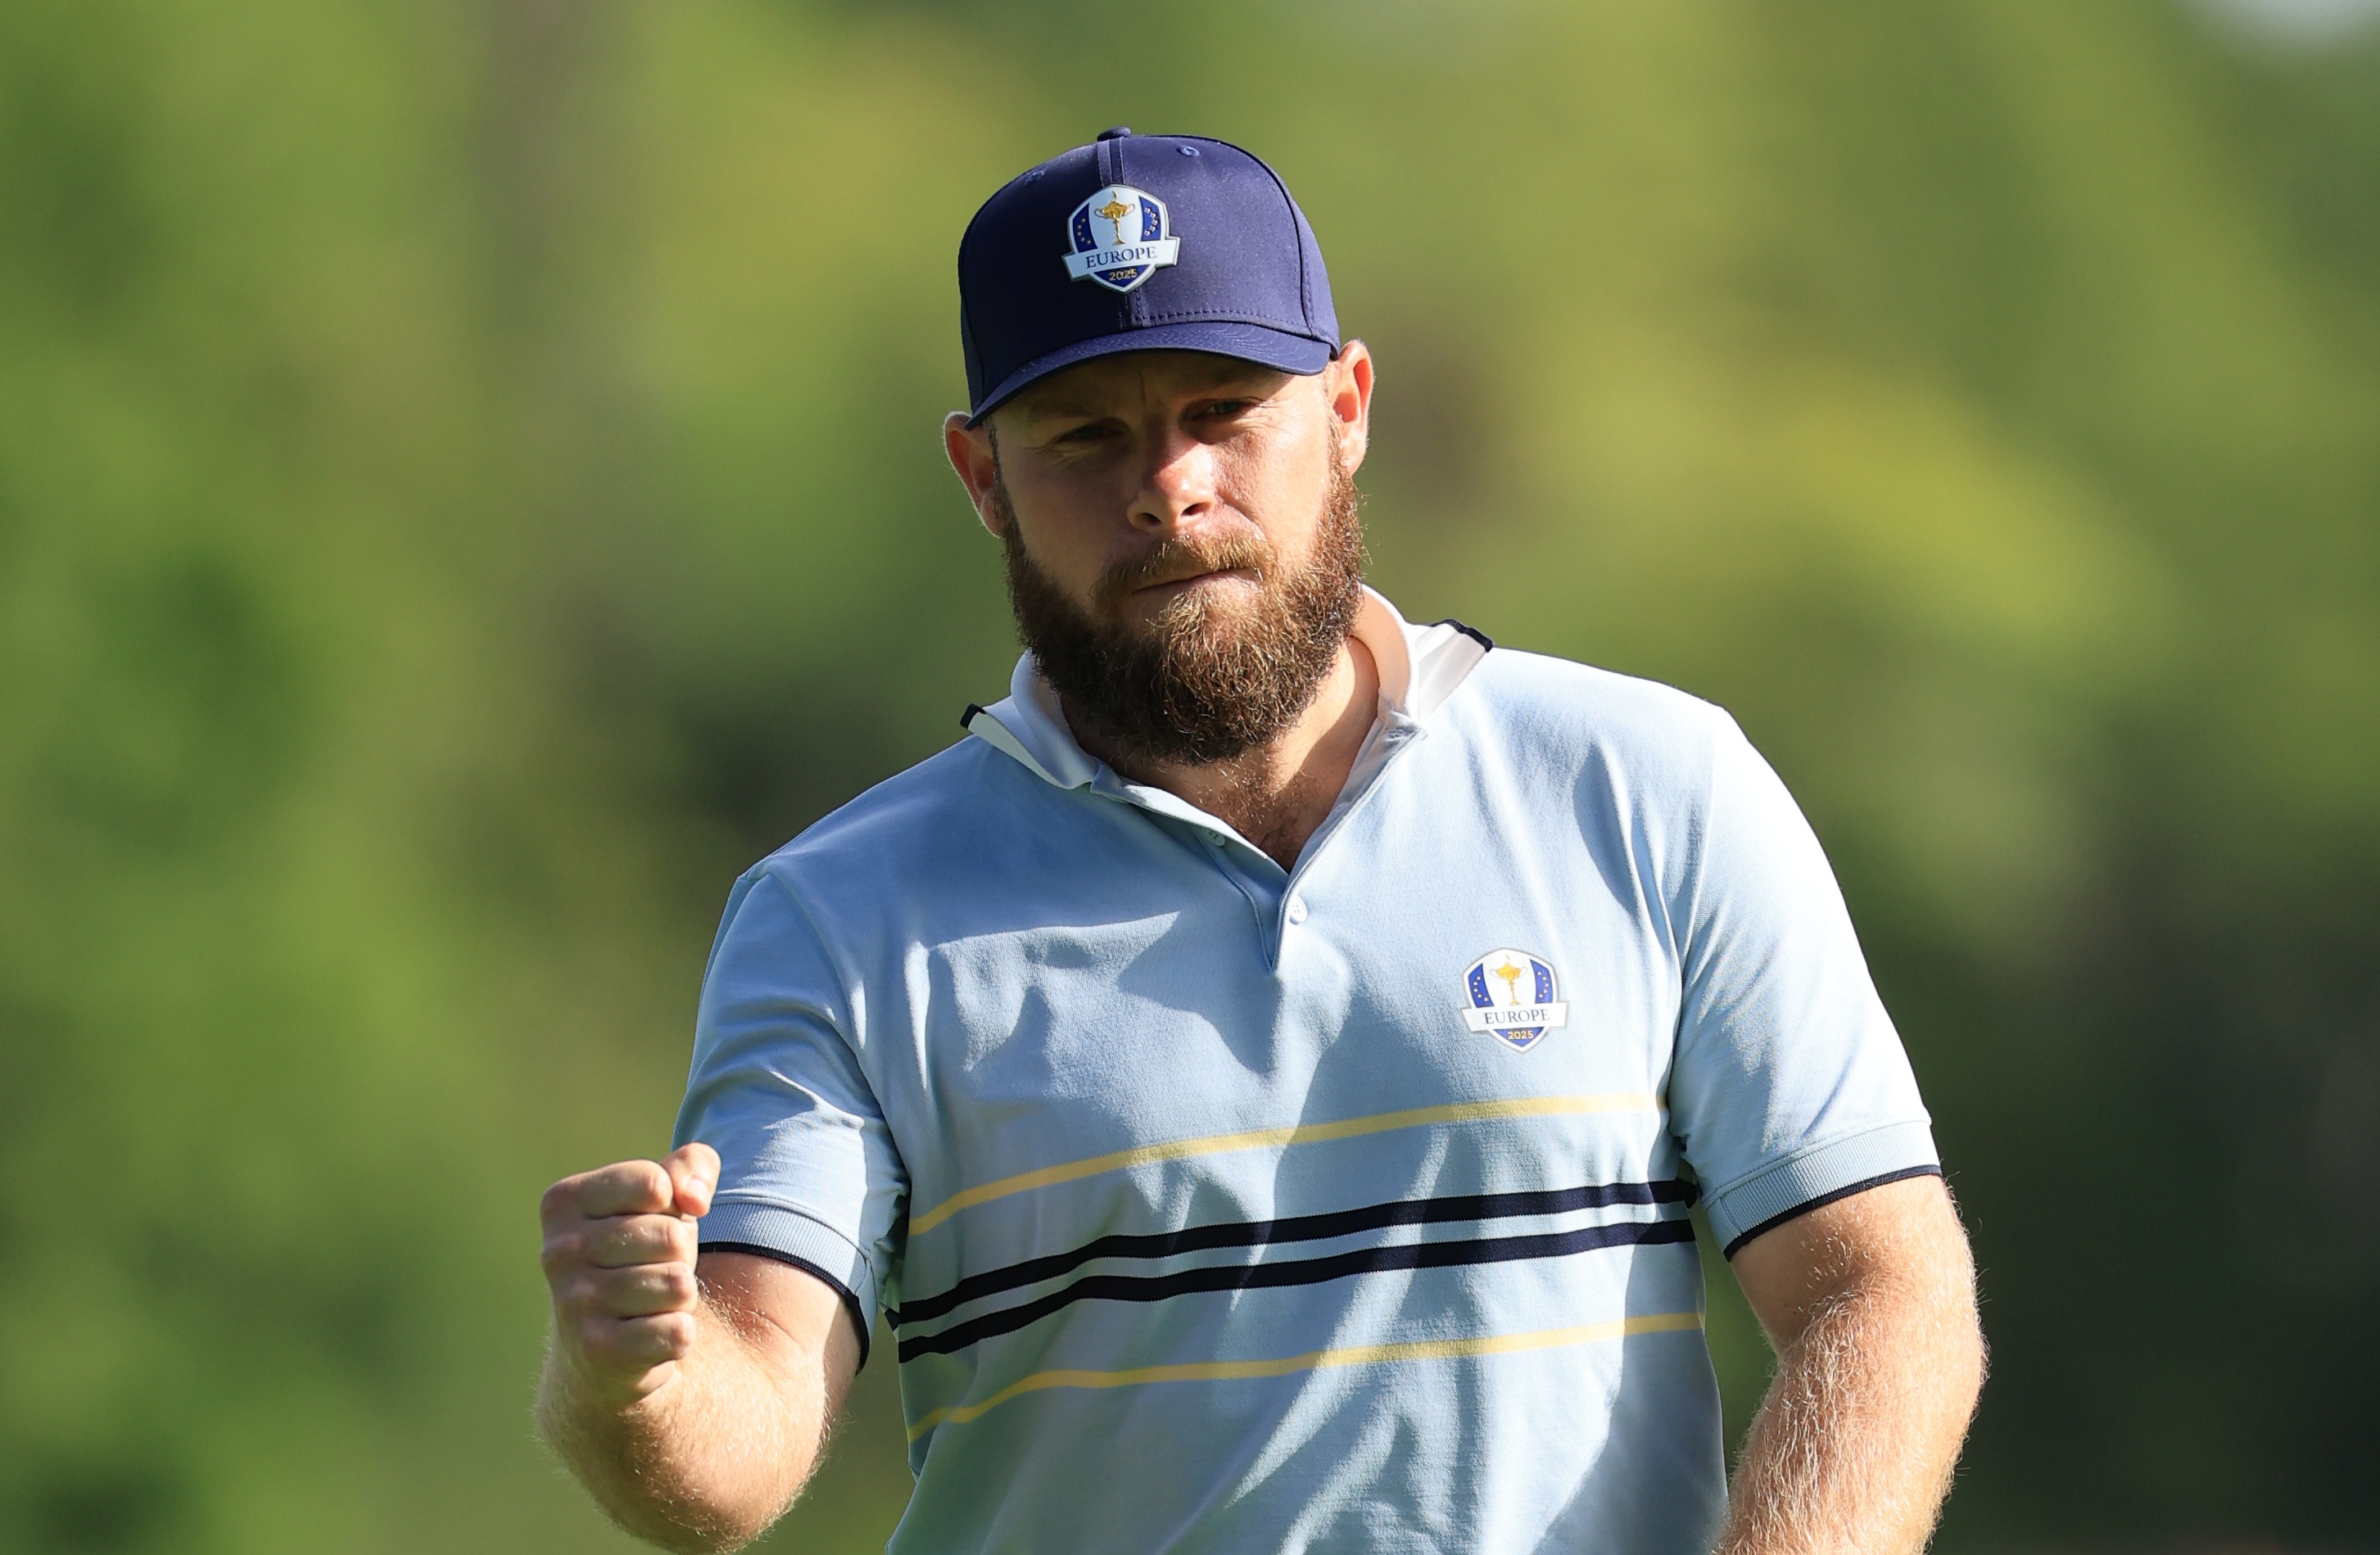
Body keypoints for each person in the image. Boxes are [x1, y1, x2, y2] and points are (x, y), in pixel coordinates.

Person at [536, 128, 1984, 1554]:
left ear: (1346, 407)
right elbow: (736, 1443)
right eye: (1086, 436)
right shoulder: (838, 914)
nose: (1167, 486)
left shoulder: (1648, 788)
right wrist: (633, 1380)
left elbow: (1882, 1295)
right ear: (981, 479)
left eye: (1225, 412)